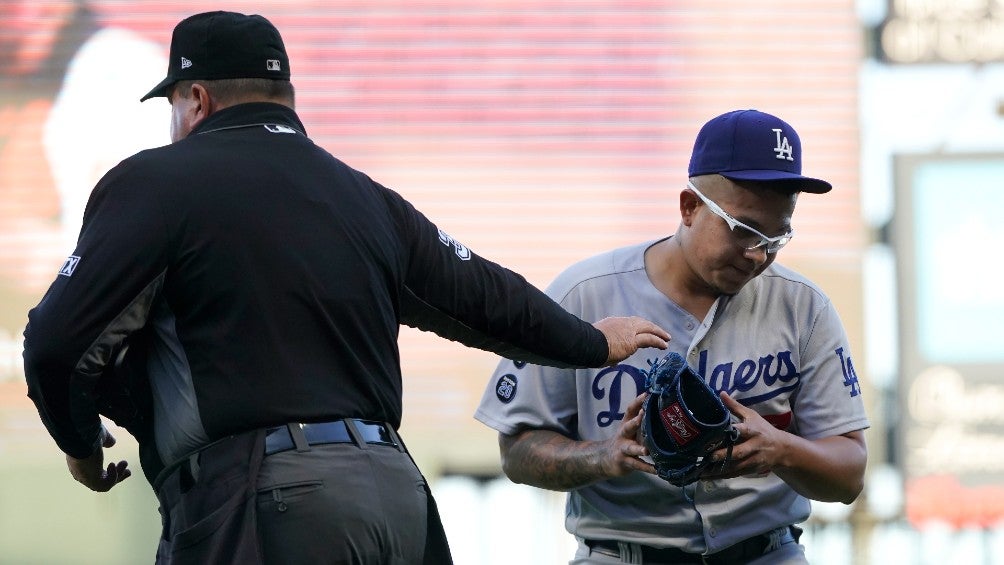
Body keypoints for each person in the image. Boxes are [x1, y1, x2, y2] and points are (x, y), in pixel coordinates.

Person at [21, 11, 669, 565]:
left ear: (196, 99)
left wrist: (78, 442)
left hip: (264, 500)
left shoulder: (154, 184)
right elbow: (485, 295)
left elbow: (54, 342)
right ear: (284, 98)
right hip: (395, 495)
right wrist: (591, 341)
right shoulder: (365, 199)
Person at [475, 109, 869, 564]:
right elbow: (517, 450)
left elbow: (849, 474)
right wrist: (606, 455)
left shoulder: (802, 305)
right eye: (743, 230)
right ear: (689, 206)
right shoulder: (584, 294)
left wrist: (782, 450)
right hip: (622, 553)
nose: (758, 254)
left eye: (776, 237)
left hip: (766, 551)